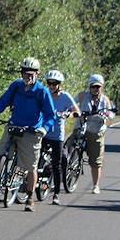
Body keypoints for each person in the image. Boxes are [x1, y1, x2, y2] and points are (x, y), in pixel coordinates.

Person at [0, 57, 55, 212]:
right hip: (13, 126)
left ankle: (30, 197)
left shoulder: (42, 92)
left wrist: (44, 129)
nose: (28, 76)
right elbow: (3, 101)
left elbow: (50, 115)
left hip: (31, 131)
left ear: (37, 74)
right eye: (25, 73)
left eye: (31, 73)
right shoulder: (16, 86)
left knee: (31, 166)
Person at [72, 74, 115, 194]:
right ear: (89, 87)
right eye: (93, 86)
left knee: (96, 161)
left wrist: (106, 115)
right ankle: (69, 166)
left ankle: (96, 185)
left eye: (98, 87)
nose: (95, 89)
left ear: (101, 87)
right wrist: (74, 111)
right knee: (66, 149)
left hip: (96, 132)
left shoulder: (105, 100)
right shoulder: (82, 96)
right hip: (80, 128)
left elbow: (111, 114)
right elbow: (72, 104)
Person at [44, 70, 81, 205]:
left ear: (60, 85)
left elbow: (76, 111)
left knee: (57, 163)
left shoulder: (65, 97)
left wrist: (68, 114)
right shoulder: (45, 94)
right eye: (49, 83)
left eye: (55, 83)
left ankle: (56, 194)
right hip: (44, 132)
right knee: (35, 159)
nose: (52, 86)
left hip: (57, 135)